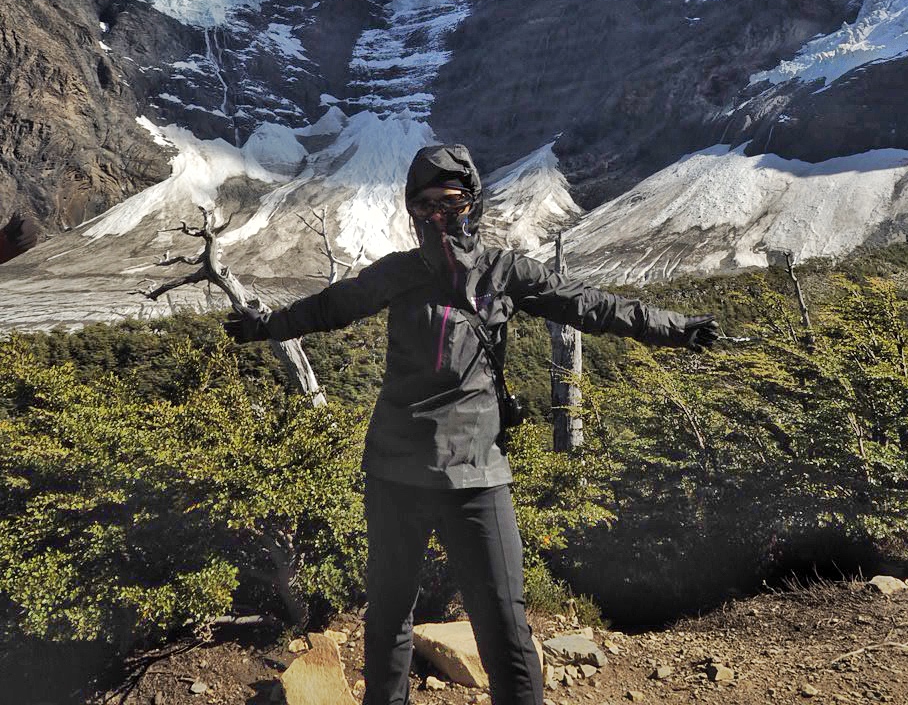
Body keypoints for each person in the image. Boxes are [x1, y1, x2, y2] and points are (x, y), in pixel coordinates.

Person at [229, 143, 719, 705]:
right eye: (427, 205)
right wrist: (265, 326)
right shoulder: (398, 274)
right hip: (399, 474)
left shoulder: (504, 272)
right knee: (389, 618)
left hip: (473, 472)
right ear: (413, 211)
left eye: (452, 202)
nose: (440, 215)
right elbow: (328, 307)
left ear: (474, 203)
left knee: (503, 624)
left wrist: (674, 326)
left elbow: (590, 306)